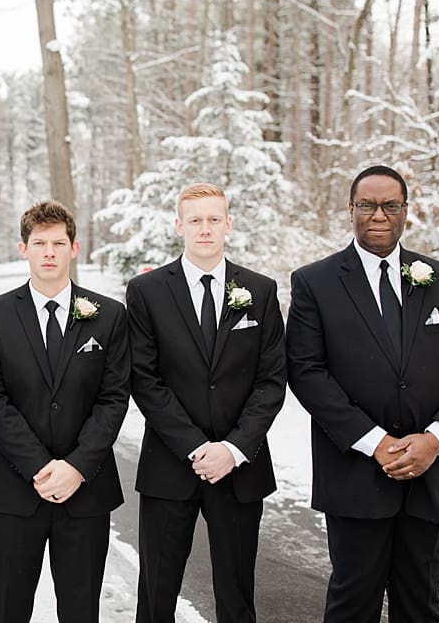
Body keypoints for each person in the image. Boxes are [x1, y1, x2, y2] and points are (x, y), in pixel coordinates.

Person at [286, 165, 439, 622]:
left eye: (390, 205)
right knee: (352, 605)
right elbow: (306, 372)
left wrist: (435, 439)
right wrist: (375, 442)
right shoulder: (314, 282)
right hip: (355, 477)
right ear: (351, 209)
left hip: (429, 477)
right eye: (367, 205)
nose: (378, 215)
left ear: (406, 211)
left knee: (421, 606)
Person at [127, 183, 286, 623]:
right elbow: (145, 378)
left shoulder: (261, 290)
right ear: (179, 225)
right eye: (194, 220)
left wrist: (233, 449)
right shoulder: (146, 291)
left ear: (228, 224)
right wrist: (197, 447)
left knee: (236, 597)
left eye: (214, 219)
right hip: (169, 464)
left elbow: (272, 382)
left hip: (240, 468)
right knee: (156, 595)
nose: (204, 228)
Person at [0, 199, 130, 623]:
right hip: (15, 489)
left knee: (81, 610)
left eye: (58, 243)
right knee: (8, 609)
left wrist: (76, 467)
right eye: (39, 242)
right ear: (23, 248)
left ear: (74, 248)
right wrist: (40, 466)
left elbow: (114, 398)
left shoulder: (110, 315)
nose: (48, 252)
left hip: (87, 491)